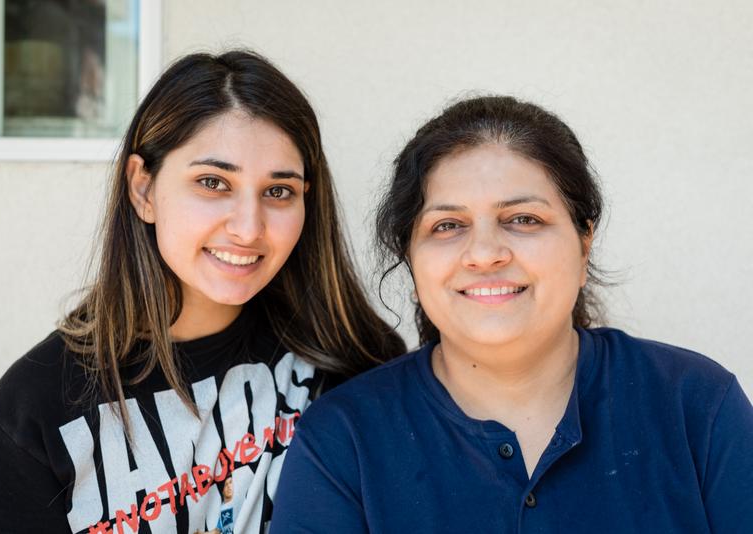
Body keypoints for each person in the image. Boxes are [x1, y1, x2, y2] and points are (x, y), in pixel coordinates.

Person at [0, 50, 405, 533]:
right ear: (143, 189)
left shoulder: (347, 364)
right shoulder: (35, 407)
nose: (248, 227)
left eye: (278, 191)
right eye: (213, 182)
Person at [270, 95, 753, 533]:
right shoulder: (343, 441)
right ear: (410, 258)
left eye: (523, 219)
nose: (484, 253)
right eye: (448, 225)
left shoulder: (697, 405)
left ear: (584, 244)